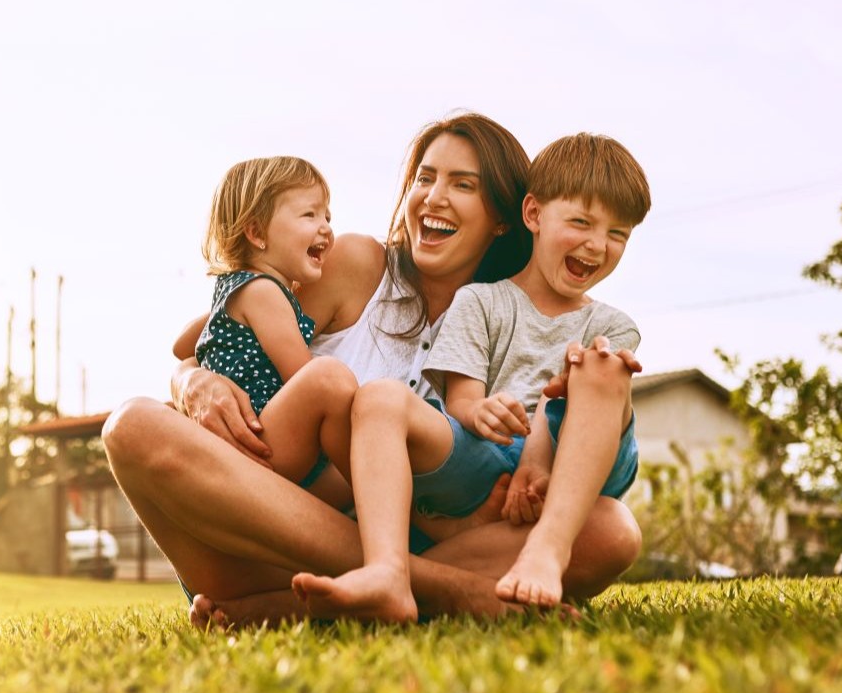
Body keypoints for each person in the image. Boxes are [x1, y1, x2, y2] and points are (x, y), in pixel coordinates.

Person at [103, 112, 644, 626]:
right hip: (261, 535)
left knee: (610, 530)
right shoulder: (355, 264)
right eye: (425, 178)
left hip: (426, 543)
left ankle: (316, 599)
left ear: (504, 219)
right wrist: (193, 381)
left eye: (462, 184)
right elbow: (224, 329)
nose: (433, 197)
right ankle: (440, 589)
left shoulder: (517, 320)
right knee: (131, 425)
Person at [292, 133, 650, 621]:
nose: (596, 245)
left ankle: (547, 550)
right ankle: (387, 573)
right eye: (582, 223)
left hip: (576, 463)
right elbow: (460, 399)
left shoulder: (612, 325)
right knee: (379, 398)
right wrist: (479, 410)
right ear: (533, 216)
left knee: (600, 368)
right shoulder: (480, 301)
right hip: (489, 457)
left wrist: (540, 461)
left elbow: (569, 404)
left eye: (617, 235)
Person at [193, 156, 355, 493]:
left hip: (255, 443)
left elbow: (184, 345)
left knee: (359, 480)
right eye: (309, 215)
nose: (325, 226)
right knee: (330, 379)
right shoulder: (264, 292)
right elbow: (302, 374)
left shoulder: (234, 288)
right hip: (261, 441)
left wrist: (198, 371)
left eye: (327, 215)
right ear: (256, 232)